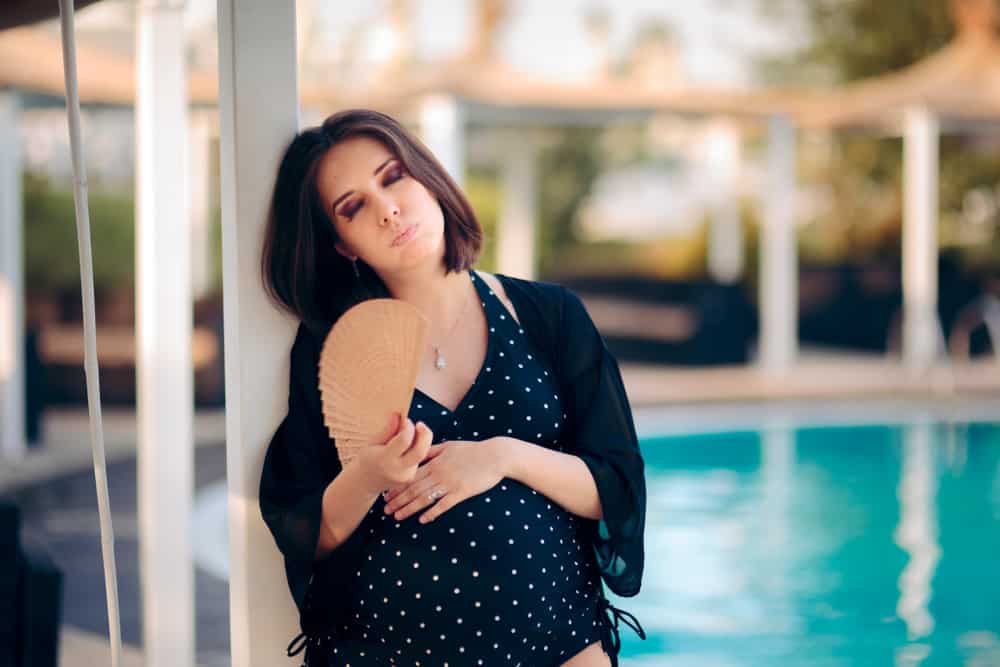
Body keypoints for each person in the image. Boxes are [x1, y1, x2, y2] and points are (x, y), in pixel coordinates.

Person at [259, 108, 647, 667]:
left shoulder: (550, 316)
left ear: (427, 177)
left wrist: (502, 457)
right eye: (353, 207)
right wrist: (369, 474)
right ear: (343, 244)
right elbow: (305, 530)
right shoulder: (334, 347)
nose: (388, 209)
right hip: (387, 654)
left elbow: (614, 487)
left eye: (392, 177)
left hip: (562, 646)